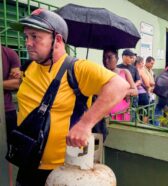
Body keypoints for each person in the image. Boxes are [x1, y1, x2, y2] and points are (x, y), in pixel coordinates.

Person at [11, 9, 129, 186]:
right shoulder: (29, 67)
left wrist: (85, 124)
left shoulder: (77, 68)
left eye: (35, 36)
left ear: (57, 40)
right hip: (27, 161)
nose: (28, 43)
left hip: (61, 171)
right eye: (26, 36)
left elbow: (120, 86)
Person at [103, 48, 137, 121]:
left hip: (123, 113)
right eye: (104, 58)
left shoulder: (124, 72)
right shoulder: (101, 73)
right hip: (105, 114)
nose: (106, 61)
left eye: (109, 57)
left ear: (117, 58)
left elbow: (135, 91)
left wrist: (123, 93)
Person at [1, 45, 21, 144]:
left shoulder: (9, 53)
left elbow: (17, 83)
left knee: (12, 149)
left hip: (6, 110)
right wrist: (5, 83)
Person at [117, 49, 141, 121]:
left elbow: (139, 81)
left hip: (132, 95)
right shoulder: (117, 67)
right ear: (124, 57)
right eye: (130, 57)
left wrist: (132, 86)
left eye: (132, 58)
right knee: (121, 111)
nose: (132, 59)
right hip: (121, 95)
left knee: (132, 111)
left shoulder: (134, 68)